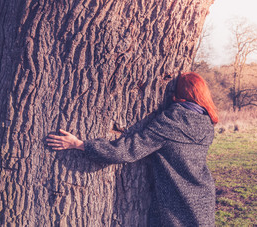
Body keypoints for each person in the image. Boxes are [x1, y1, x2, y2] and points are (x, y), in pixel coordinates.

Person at [47, 72, 218, 226]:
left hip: (177, 206)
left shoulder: (171, 123)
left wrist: (80, 144)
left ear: (176, 96)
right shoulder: (207, 124)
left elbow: (127, 150)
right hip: (203, 200)